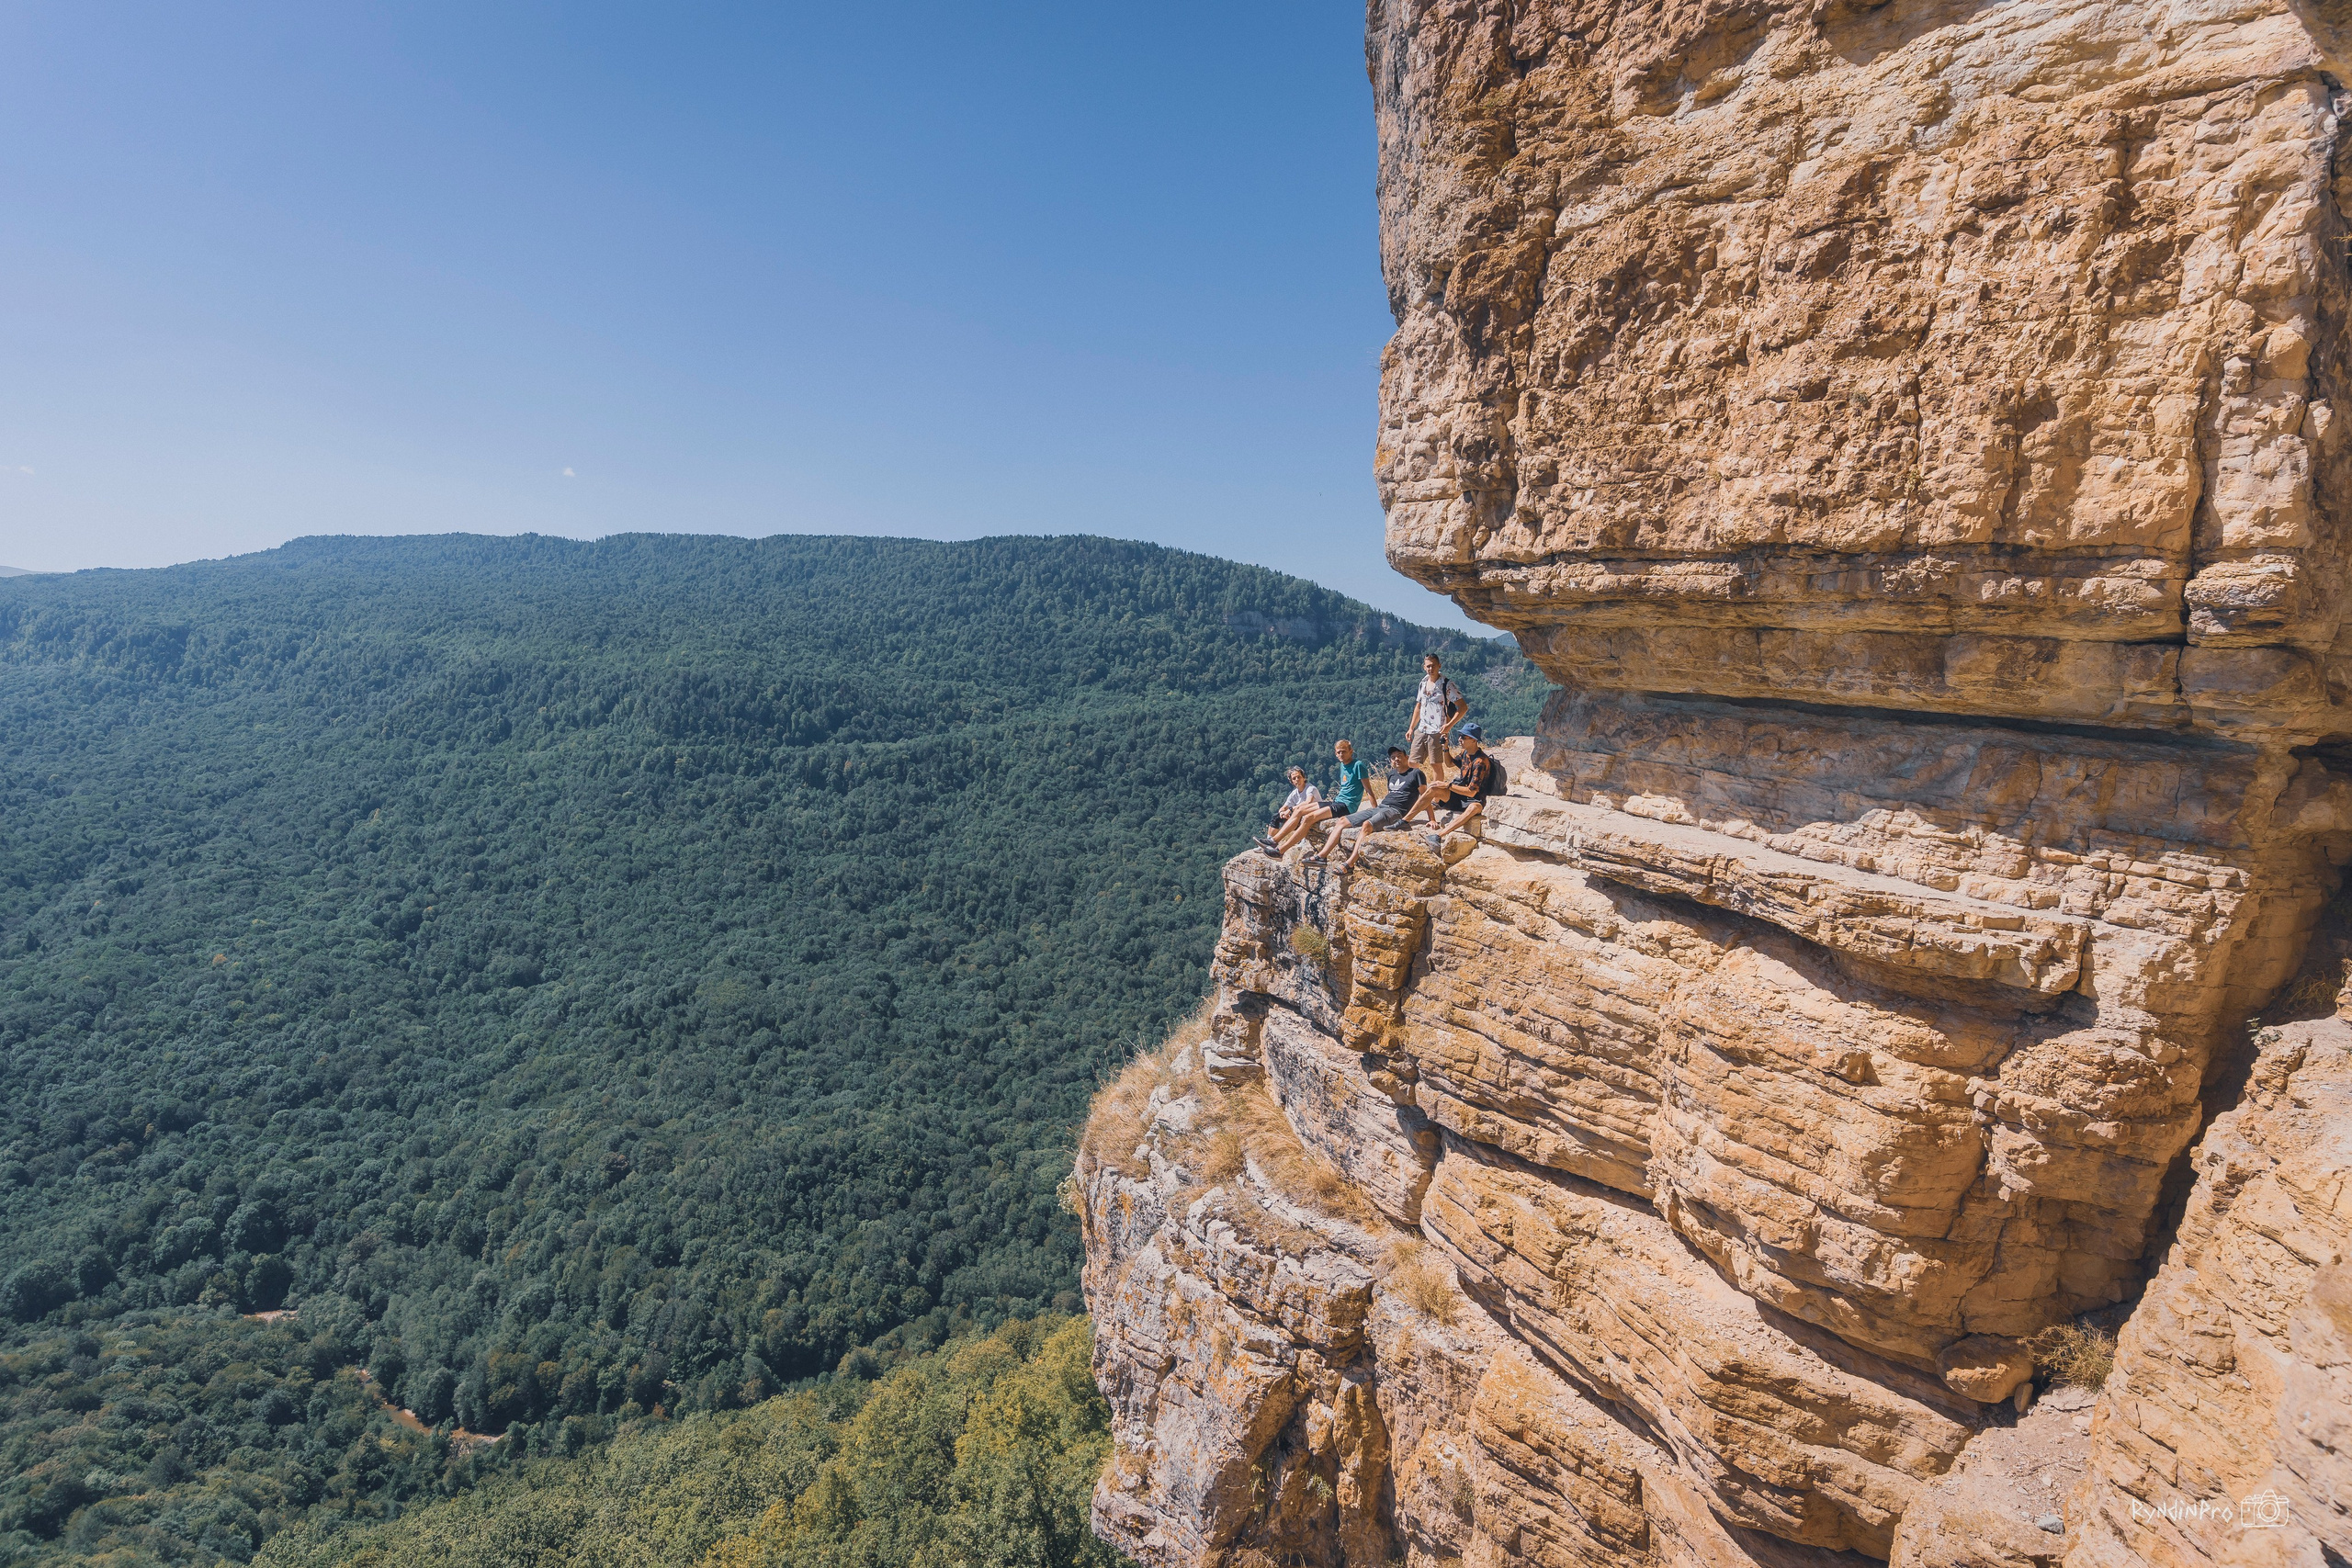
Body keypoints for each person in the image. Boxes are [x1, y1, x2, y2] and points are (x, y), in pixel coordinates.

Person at [1314, 745, 1426, 870]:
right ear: (1390, 761)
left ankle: (1349, 864)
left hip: (1396, 811)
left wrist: (1432, 819)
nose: (1396, 759)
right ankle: (1322, 856)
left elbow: (1424, 798)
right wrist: (1375, 810)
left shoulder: (1416, 773)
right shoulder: (1391, 774)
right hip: (1381, 807)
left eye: (1399, 756)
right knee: (1342, 821)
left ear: (1407, 757)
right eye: (1393, 757)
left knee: (1367, 825)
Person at [1266, 739, 1370, 855]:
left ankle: (1280, 851)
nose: (1341, 754)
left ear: (1351, 751)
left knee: (1309, 818)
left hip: (1346, 806)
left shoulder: (1358, 765)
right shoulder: (1343, 765)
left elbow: (1369, 790)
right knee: (1299, 810)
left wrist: (1374, 811)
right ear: (1335, 753)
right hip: (1337, 802)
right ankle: (1273, 841)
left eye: (1344, 751)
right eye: (1338, 752)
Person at [1406, 722, 1496, 848]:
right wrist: (1445, 747)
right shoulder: (1466, 753)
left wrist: (1447, 785)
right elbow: (1449, 763)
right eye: (1460, 736)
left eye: (1464, 737)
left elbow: (1471, 792)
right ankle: (1405, 820)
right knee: (1433, 788)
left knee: (1473, 808)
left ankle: (1439, 836)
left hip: (1477, 799)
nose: (1460, 739)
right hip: (1462, 795)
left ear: (1474, 740)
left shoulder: (1481, 761)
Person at [1405, 652, 1466, 784]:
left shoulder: (1447, 685)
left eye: (1433, 666)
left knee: (1436, 765)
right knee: (1412, 763)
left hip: (1437, 731)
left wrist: (1449, 726)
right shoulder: (1423, 683)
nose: (1430, 669)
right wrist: (1411, 728)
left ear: (1439, 666)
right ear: (1424, 667)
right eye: (1427, 666)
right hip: (1422, 729)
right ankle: (1415, 793)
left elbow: (1463, 707)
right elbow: (1418, 706)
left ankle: (1436, 798)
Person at [1254, 767, 1319, 853]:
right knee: (1276, 817)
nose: (1297, 780)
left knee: (1302, 816)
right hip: (1300, 816)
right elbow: (1284, 807)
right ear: (1292, 782)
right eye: (1294, 778)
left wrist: (1290, 810)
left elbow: (1308, 802)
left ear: (1304, 778)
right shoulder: (1294, 793)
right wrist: (1282, 813)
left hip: (1314, 815)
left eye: (1299, 777)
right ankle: (1268, 843)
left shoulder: (1310, 788)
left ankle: (1303, 840)